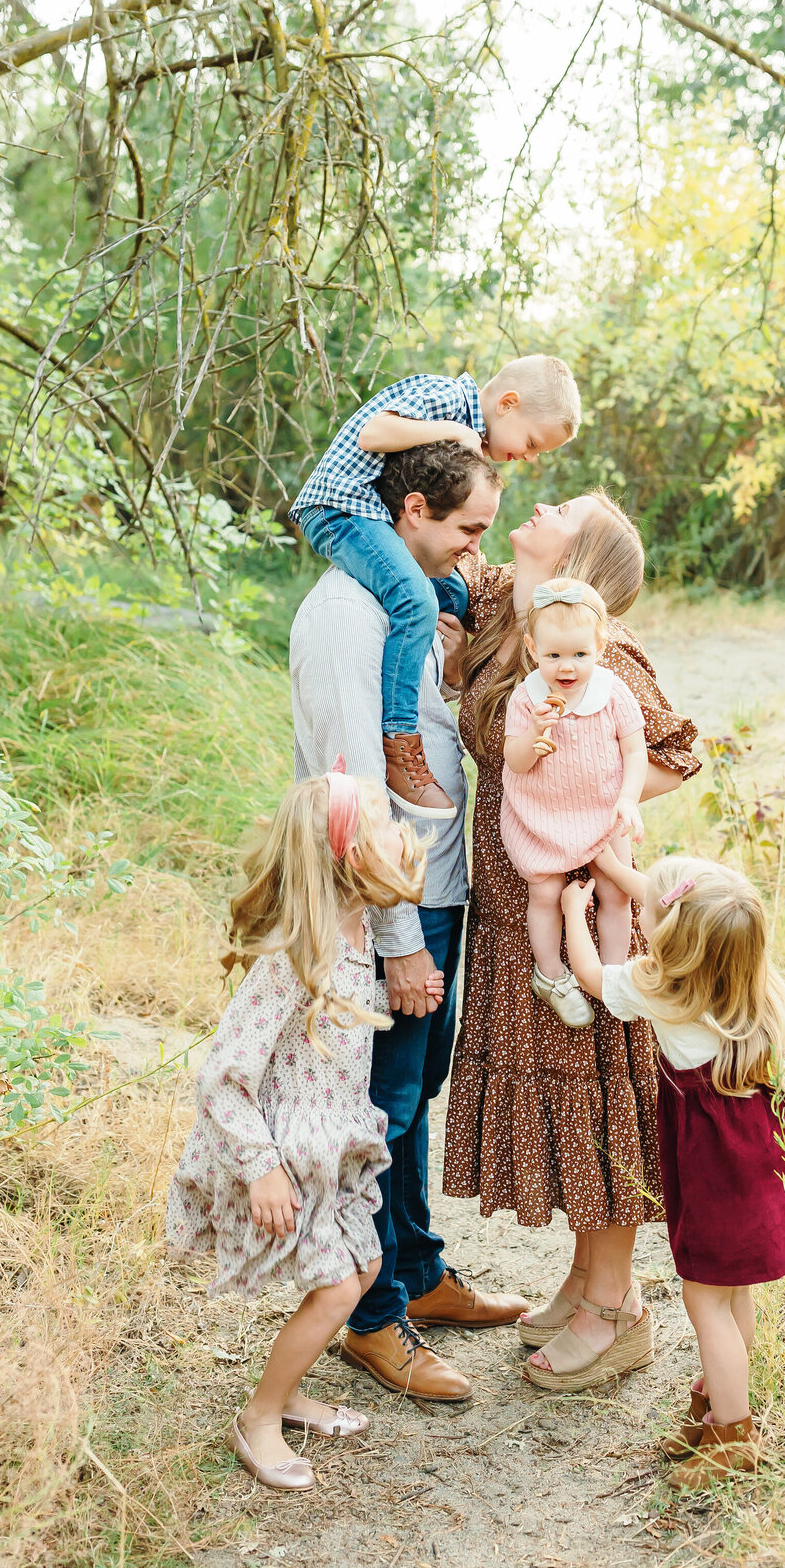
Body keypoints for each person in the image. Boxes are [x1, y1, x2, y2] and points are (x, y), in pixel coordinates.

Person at [441, 493, 701, 1393]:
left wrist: (594, 823)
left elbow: (674, 751)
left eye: (565, 507)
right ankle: (588, 1281)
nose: (541, 500)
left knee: (596, 1089)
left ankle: (616, 1307)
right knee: (564, 1080)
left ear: (583, 552)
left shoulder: (604, 653)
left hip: (580, 896)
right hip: (518, 894)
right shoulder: (511, 610)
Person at [291, 441, 527, 1405]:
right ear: (413, 509)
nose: (478, 549)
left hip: (440, 890)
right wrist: (396, 946)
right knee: (381, 1110)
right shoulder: (348, 615)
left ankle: (419, 1272)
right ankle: (372, 1318)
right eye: (468, 528)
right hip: (388, 906)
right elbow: (353, 787)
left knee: (415, 1088)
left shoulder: (417, 603)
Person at [165, 770, 426, 1493]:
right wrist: (261, 1166)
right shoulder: (290, 956)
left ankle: (289, 1392)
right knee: (341, 1288)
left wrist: (384, 994)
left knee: (365, 1269)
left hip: (333, 1142)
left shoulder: (356, 927)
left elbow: (336, 1012)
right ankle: (259, 1415)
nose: (397, 836)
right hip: (284, 1150)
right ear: (348, 858)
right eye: (379, 827)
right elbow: (222, 1073)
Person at [559, 855, 785, 1486]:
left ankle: (734, 1437)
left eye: (650, 912)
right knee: (732, 1295)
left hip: (718, 1173)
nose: (641, 909)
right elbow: (662, 893)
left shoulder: (662, 989)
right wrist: (618, 865)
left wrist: (573, 912)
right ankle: (717, 1400)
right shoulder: (754, 988)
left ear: (672, 946)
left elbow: (591, 975)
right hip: (763, 1162)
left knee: (704, 1301)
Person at [290, 356, 581, 819]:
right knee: (415, 597)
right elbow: (372, 434)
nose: (530, 456)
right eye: (531, 443)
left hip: (372, 512)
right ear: (507, 404)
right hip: (341, 508)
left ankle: (440, 679)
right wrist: (457, 434)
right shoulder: (444, 396)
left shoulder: (465, 428)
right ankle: (400, 737)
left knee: (452, 596)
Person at [501, 575, 648, 1028]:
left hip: (604, 811)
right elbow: (515, 760)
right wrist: (534, 735)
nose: (567, 667)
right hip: (542, 812)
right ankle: (551, 975)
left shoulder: (612, 692)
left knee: (616, 891)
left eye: (580, 654)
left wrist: (628, 799)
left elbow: (634, 751)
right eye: (554, 655)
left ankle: (613, 974)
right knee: (544, 891)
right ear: (532, 648)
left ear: (600, 647)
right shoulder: (527, 698)